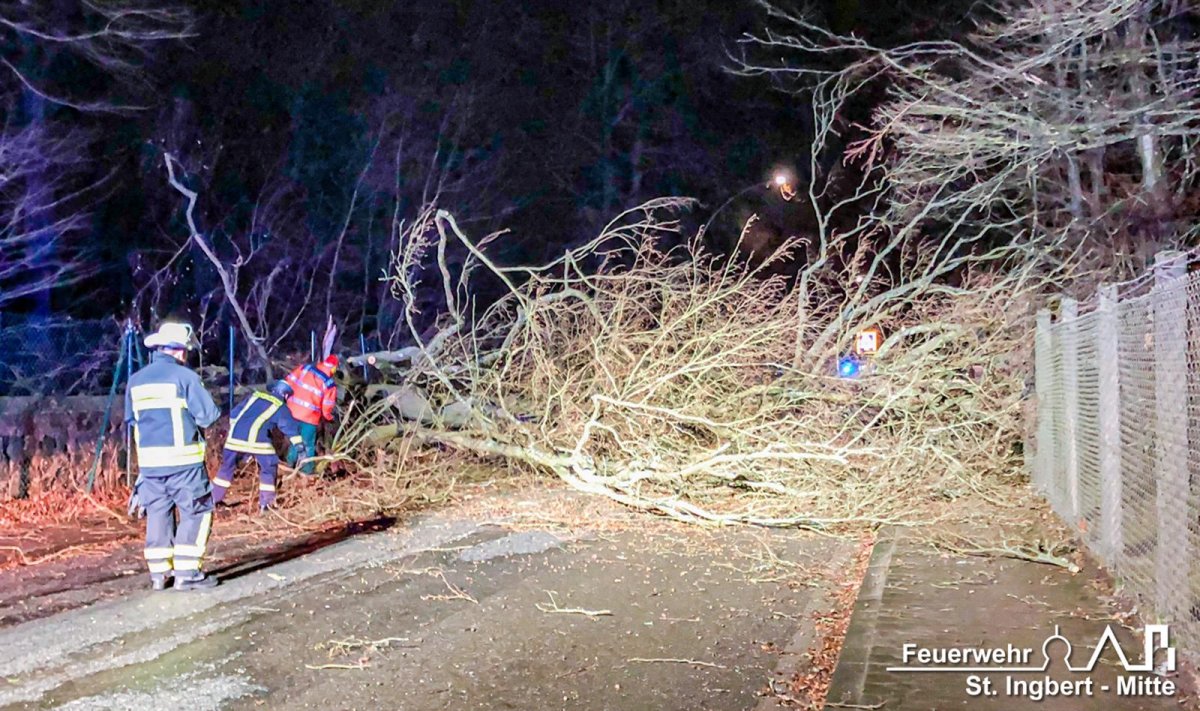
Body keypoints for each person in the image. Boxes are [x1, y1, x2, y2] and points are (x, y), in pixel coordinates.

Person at [125, 321, 222, 591]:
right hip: (185, 465)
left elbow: (133, 422)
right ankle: (187, 573)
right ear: (181, 352)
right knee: (197, 511)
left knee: (158, 514)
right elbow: (208, 416)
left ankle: (159, 575)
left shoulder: (135, 381)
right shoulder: (185, 377)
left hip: (150, 467)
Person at [213, 380, 305, 512]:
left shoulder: (254, 396)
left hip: (233, 439)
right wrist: (300, 447)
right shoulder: (280, 406)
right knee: (269, 467)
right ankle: (266, 504)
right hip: (256, 441)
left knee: (226, 468)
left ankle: (212, 500)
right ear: (285, 395)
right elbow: (289, 428)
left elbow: (233, 414)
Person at [284, 355, 338, 475]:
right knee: (307, 444)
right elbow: (327, 406)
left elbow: (289, 381)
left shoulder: (305, 368)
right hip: (309, 417)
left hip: (291, 411)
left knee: (295, 440)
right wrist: (329, 417)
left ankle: (289, 465)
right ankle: (307, 471)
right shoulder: (329, 384)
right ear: (334, 368)